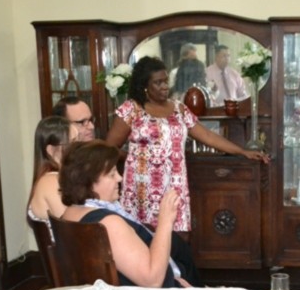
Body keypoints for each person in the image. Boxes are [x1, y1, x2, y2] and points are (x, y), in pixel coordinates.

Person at [105, 56, 269, 232]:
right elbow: (108, 148)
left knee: (178, 237)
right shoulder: (131, 109)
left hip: (174, 186)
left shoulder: (179, 109)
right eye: (158, 83)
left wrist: (242, 151)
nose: (165, 86)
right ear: (144, 85)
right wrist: (133, 158)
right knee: (143, 237)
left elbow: (207, 136)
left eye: (166, 81)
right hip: (142, 188)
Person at [59, 141, 190, 288]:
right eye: (111, 174)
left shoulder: (71, 212)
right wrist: (165, 222)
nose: (120, 178)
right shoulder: (109, 223)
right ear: (88, 182)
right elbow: (152, 280)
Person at [27, 116, 77, 221]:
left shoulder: (61, 177)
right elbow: (70, 224)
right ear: (51, 150)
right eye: (72, 143)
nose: (79, 147)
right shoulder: (50, 182)